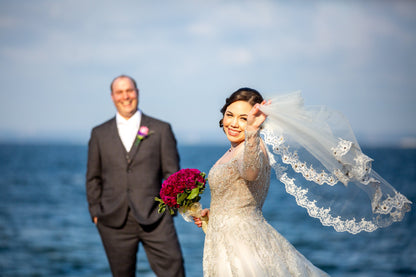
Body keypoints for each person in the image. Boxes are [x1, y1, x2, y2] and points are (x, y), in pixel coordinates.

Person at [194, 88, 329, 276]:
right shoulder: (233, 150)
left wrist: (251, 131)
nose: (233, 123)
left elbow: (250, 172)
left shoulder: (253, 147)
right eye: (230, 115)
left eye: (243, 118)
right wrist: (213, 215)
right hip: (224, 241)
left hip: (242, 246)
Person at [86, 75, 185, 277]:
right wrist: (96, 212)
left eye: (129, 90)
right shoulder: (99, 133)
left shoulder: (161, 129)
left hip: (156, 217)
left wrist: (170, 209)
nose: (126, 96)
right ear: (112, 97)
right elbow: (93, 177)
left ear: (137, 92)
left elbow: (172, 173)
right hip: (113, 221)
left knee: (174, 270)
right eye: (120, 92)